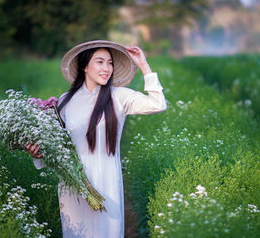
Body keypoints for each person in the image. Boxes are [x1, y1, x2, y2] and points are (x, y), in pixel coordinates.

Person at [25, 40, 167, 237]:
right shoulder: (66, 101)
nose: (106, 68)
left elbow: (158, 104)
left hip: (106, 181)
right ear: (84, 66)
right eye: (100, 62)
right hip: (73, 185)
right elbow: (60, 151)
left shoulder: (119, 97)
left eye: (110, 63)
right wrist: (38, 154)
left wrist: (143, 65)